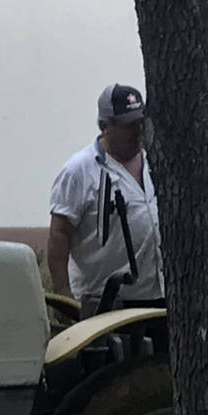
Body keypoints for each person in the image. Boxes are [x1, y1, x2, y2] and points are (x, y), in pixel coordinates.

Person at [46, 83, 164, 317]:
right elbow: (59, 235)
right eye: (127, 125)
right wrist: (63, 296)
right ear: (104, 126)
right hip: (105, 302)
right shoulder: (79, 171)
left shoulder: (156, 161)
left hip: (158, 296)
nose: (137, 130)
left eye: (140, 122)